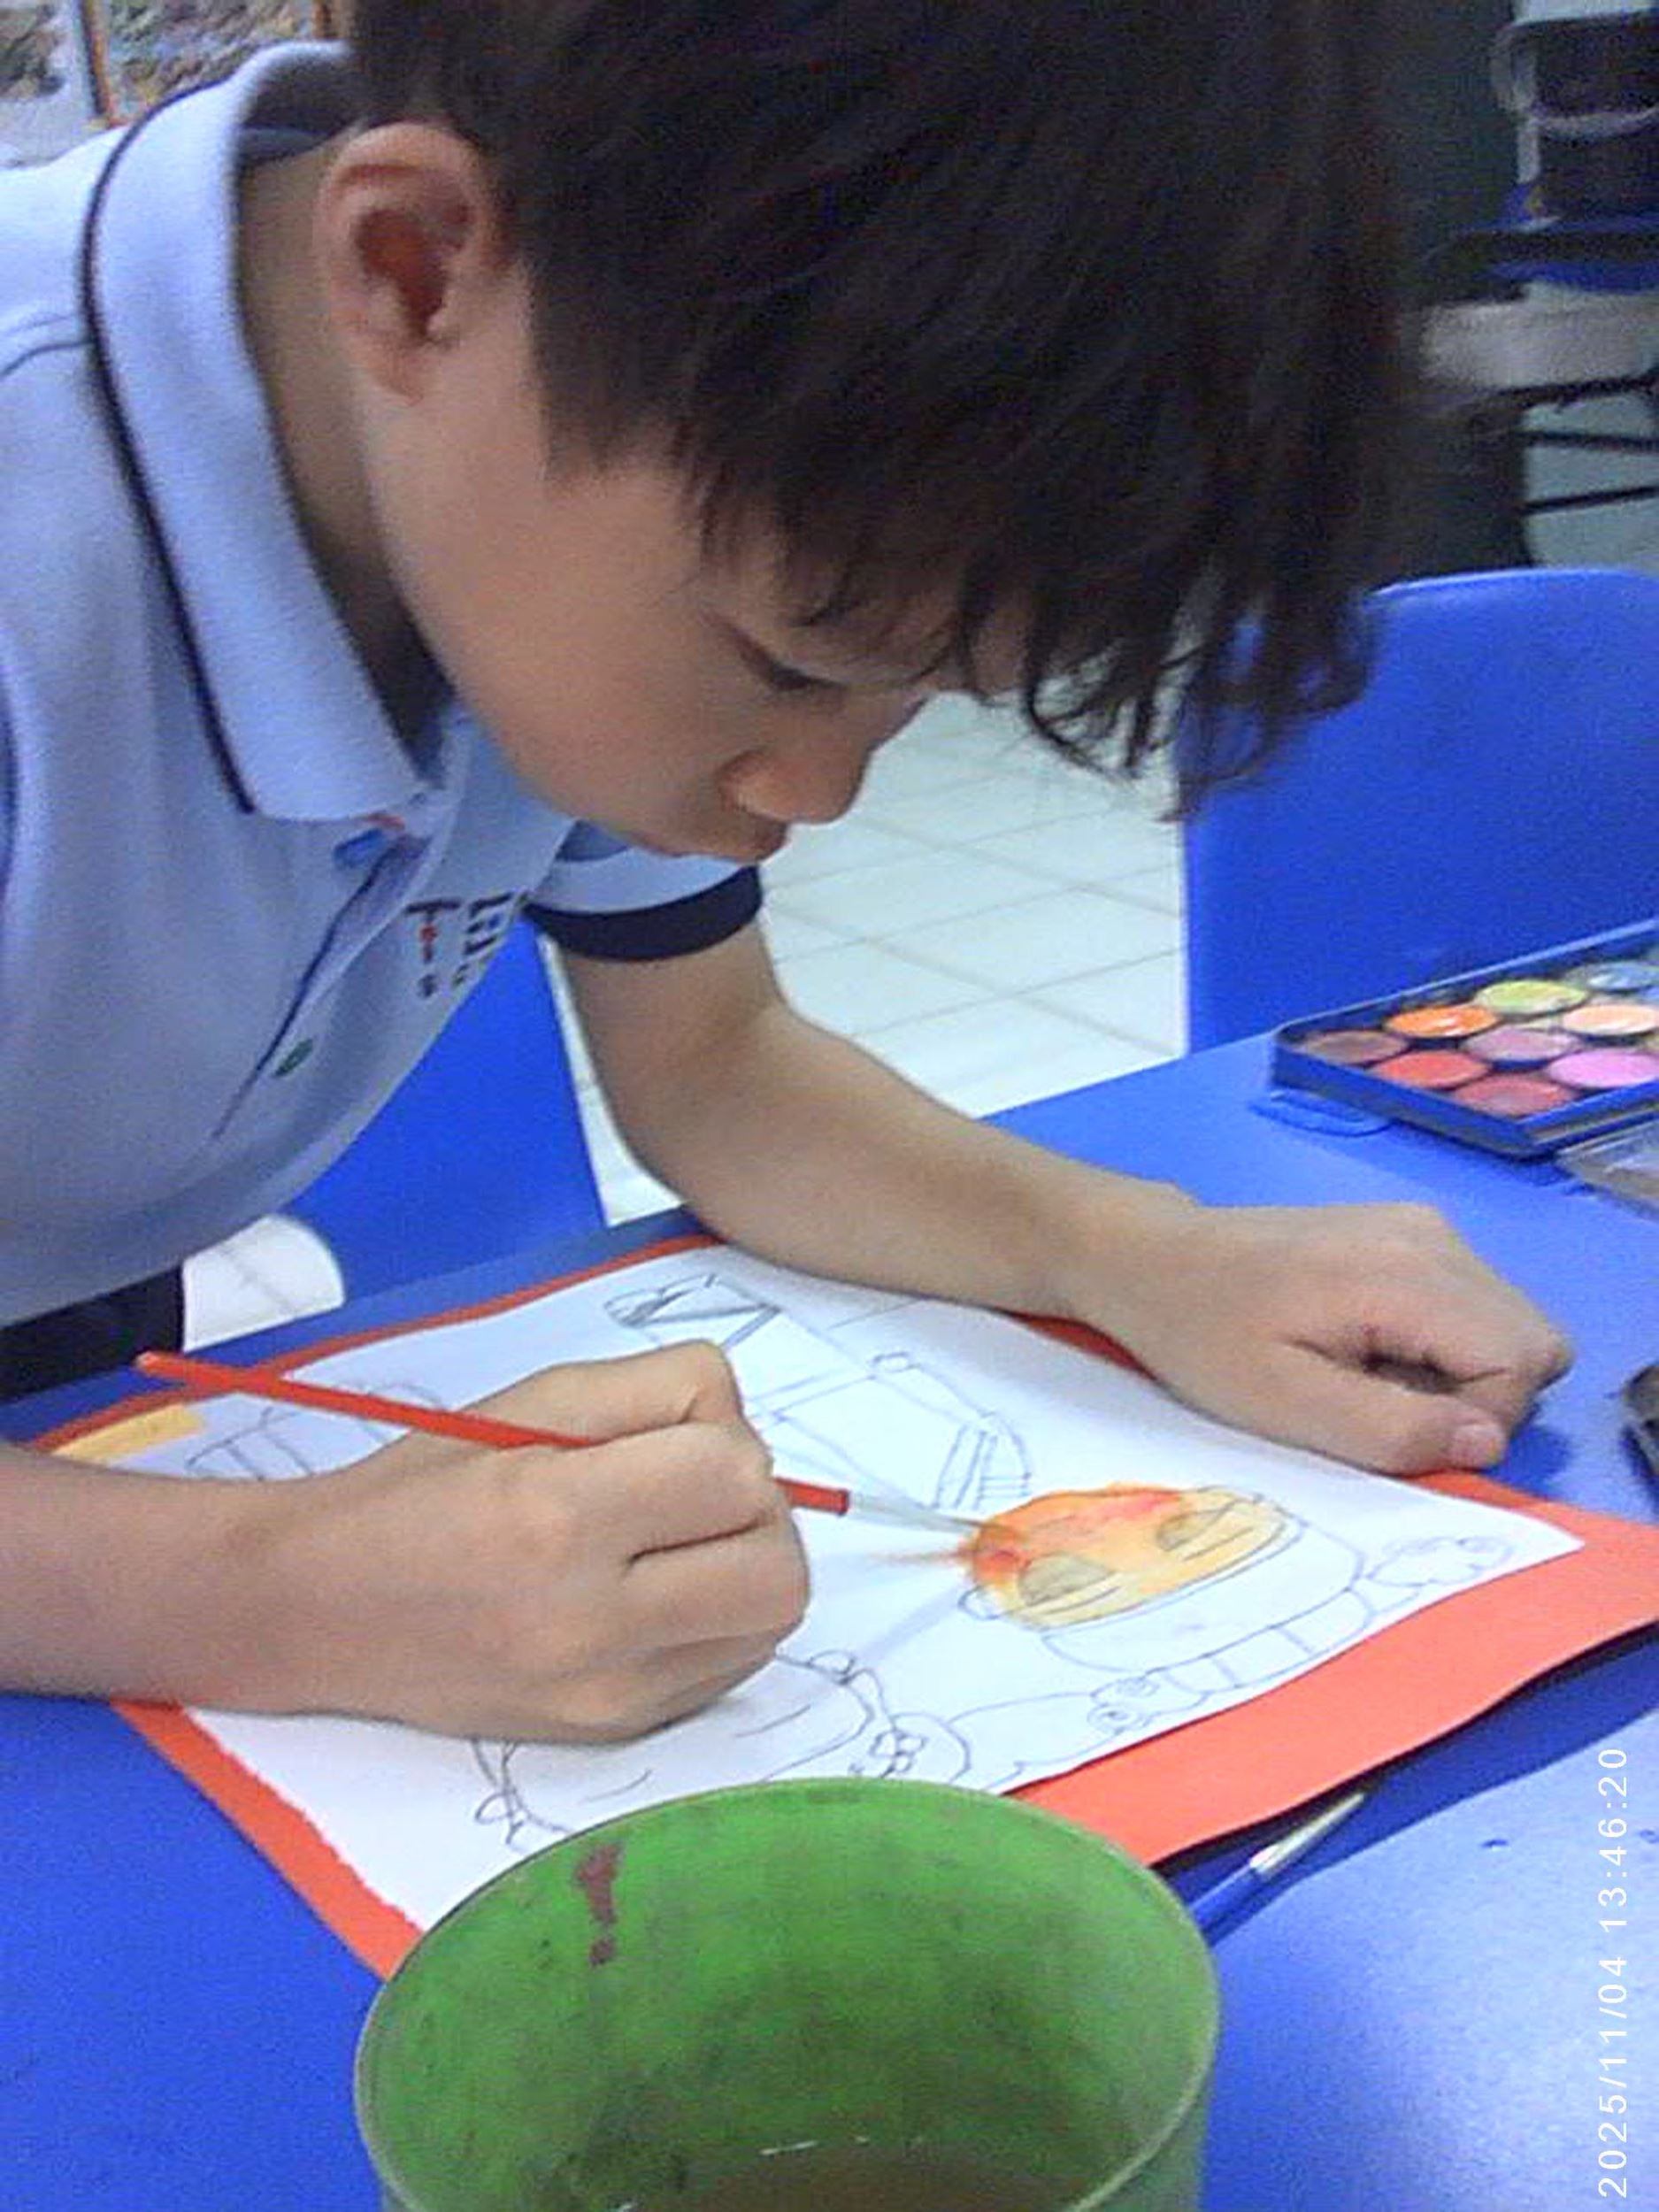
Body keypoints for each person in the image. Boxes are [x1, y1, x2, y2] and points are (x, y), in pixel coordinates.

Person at [0, 1, 1569, 1742]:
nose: (813, 792)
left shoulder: (514, 430)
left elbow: (716, 1065)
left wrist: (1140, 1254)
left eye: (919, 691)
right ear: (415, 268)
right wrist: (278, 1595)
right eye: (785, 663)